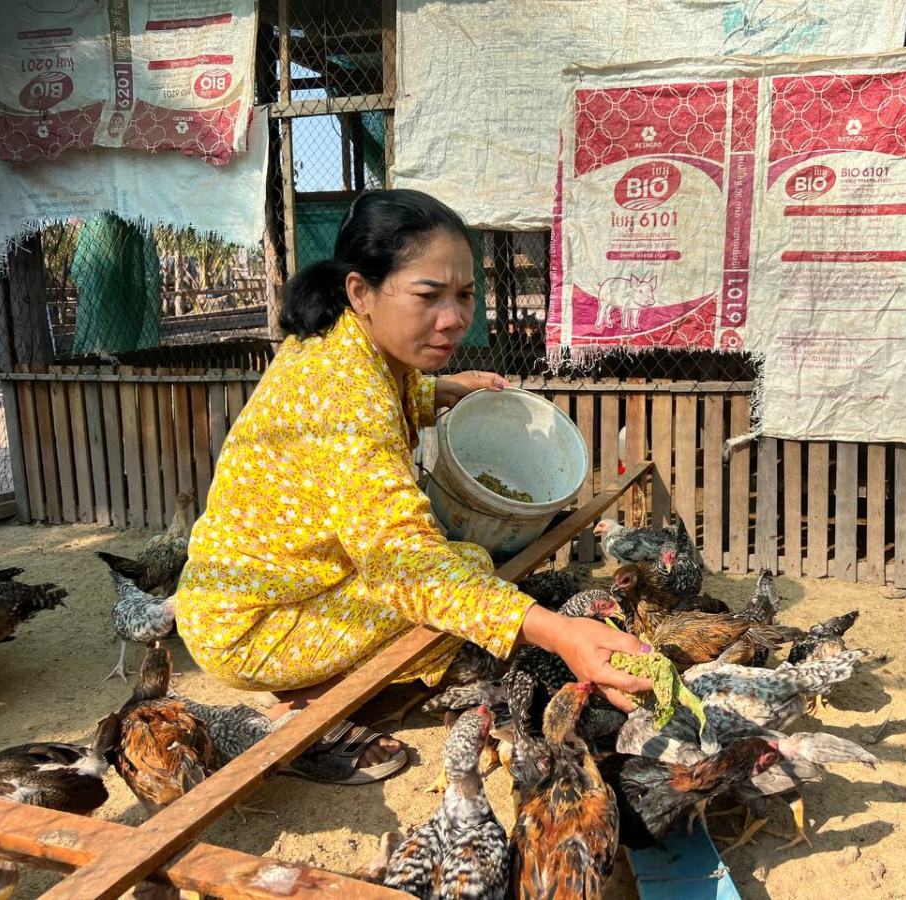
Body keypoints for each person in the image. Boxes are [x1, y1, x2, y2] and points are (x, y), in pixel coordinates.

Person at [174, 189, 651, 783]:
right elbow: (407, 566)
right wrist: (558, 632)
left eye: (464, 294)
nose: (453, 318)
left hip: (270, 589)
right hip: (255, 625)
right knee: (460, 570)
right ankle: (304, 709)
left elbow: (384, 392)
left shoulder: (342, 343)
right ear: (360, 292)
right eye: (428, 296)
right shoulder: (341, 395)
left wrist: (440, 389)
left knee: (462, 575)